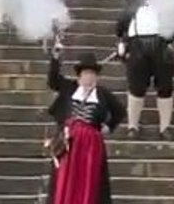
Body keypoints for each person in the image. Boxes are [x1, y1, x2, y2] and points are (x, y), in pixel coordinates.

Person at [46, 51, 125, 204]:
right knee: (64, 178)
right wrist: (55, 58)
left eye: (92, 73)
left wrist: (108, 127)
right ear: (79, 75)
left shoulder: (102, 94)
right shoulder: (70, 88)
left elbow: (120, 111)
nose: (89, 76)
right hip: (68, 145)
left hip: (90, 148)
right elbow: (52, 80)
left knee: (89, 179)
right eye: (86, 73)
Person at [116, 0, 174, 141]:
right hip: (137, 44)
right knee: (136, 87)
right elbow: (122, 20)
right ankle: (132, 126)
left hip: (161, 42)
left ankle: (165, 127)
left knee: (165, 87)